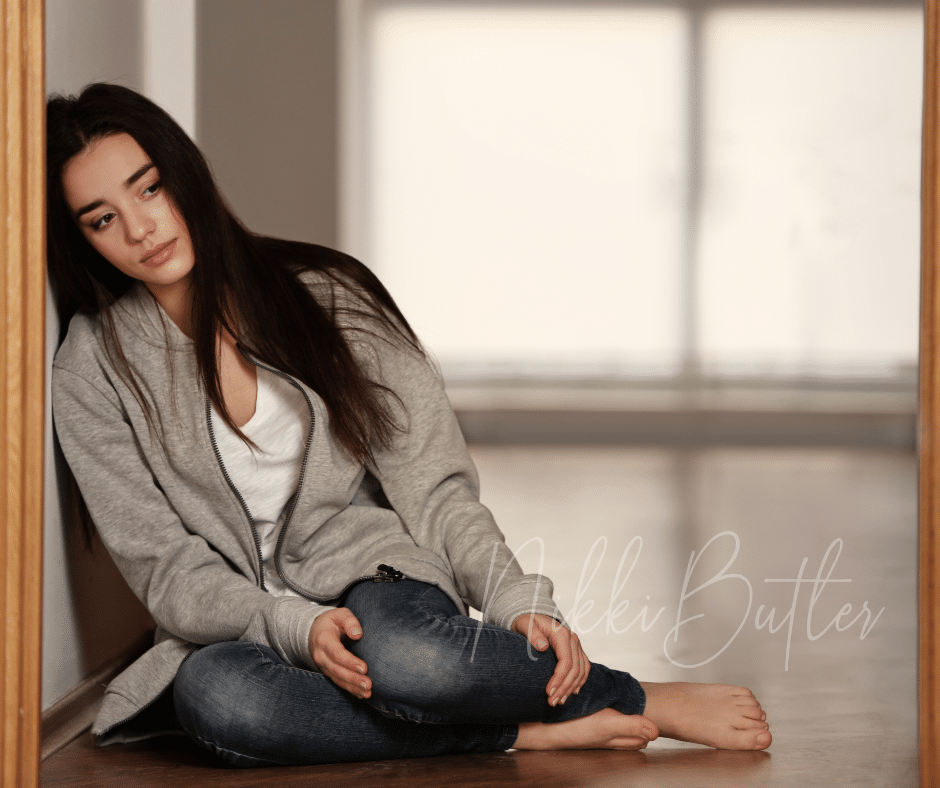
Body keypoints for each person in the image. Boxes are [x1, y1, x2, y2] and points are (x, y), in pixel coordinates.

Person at [47, 83, 772, 768]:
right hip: (240, 624)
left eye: (149, 186)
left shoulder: (328, 296)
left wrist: (517, 599)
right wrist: (287, 624)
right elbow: (164, 565)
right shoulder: (92, 366)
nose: (140, 229)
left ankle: (632, 694)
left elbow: (435, 486)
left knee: (412, 662)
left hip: (377, 581)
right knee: (220, 700)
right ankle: (514, 734)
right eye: (103, 218)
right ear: (84, 240)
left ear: (185, 176)